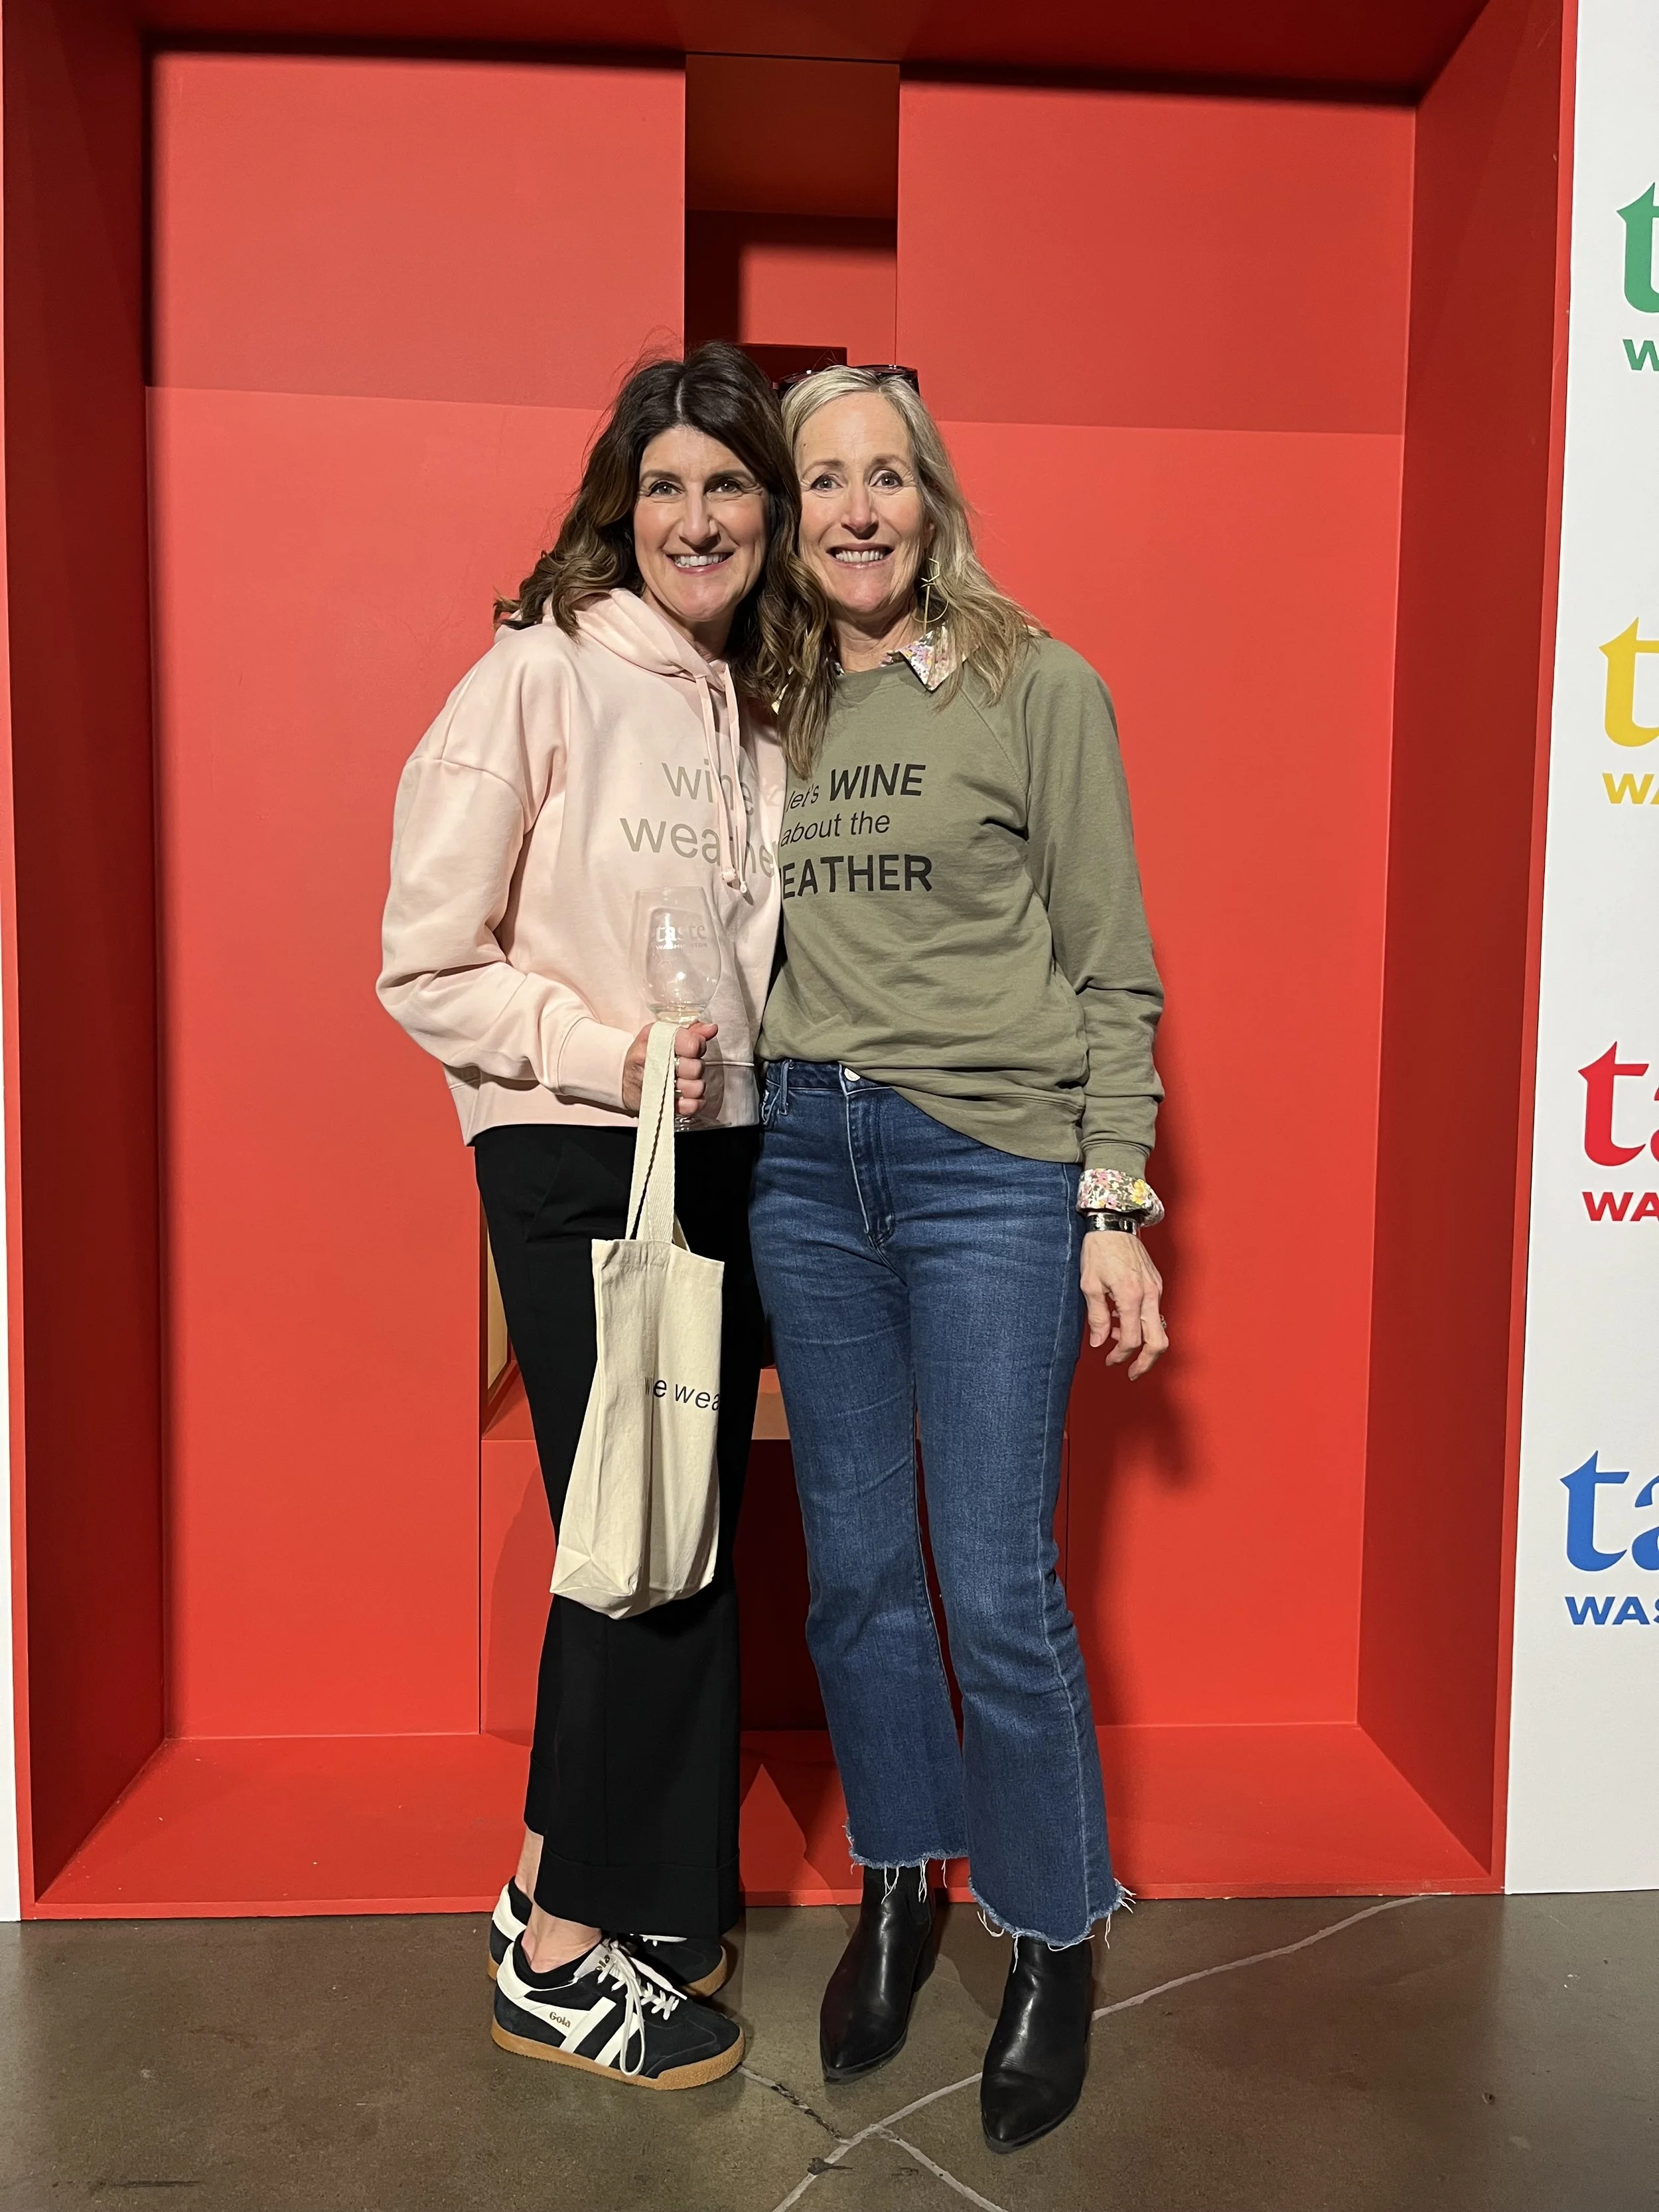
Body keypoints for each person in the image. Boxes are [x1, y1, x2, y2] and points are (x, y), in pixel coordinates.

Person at [750, 364, 1168, 2152]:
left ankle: (1051, 1928)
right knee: (852, 1570)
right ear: (786, 513)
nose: (856, 508)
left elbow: (1110, 958)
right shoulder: (751, 702)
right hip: (796, 1159)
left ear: (930, 498)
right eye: (821, 479)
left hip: (985, 1163)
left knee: (992, 1577)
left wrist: (1114, 1193)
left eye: (885, 477)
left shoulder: (1032, 682)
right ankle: (904, 1880)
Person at [378, 344, 794, 2091]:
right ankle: (555, 1958)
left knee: (664, 1528)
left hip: (727, 1159)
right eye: (669, 486)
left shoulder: (754, 704)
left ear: (764, 516)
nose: (698, 517)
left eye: (728, 486)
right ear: (620, 510)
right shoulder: (537, 677)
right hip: (577, 1149)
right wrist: (611, 1051)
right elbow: (423, 964)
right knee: (637, 1536)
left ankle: (574, 1886)